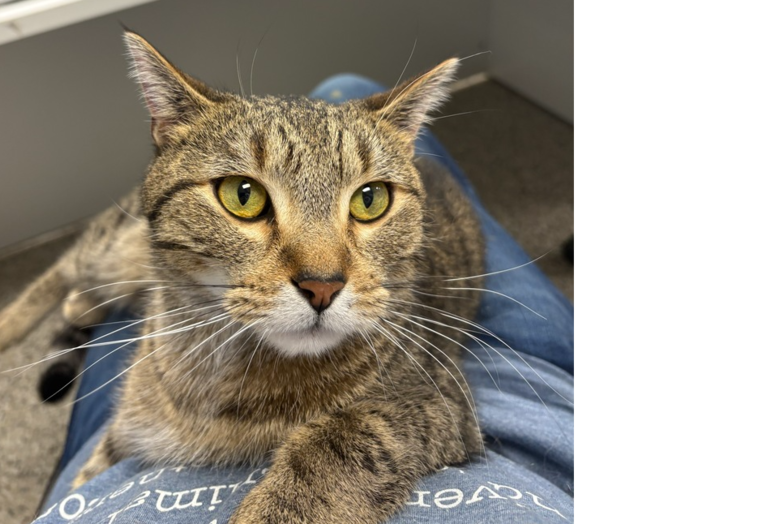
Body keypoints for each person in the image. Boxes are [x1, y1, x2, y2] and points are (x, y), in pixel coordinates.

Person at [34, 74, 572, 524]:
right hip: (550, 394)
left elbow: (448, 415)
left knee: (359, 103)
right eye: (244, 197)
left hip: (413, 298)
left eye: (370, 200)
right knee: (348, 89)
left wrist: (321, 482)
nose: (322, 276)